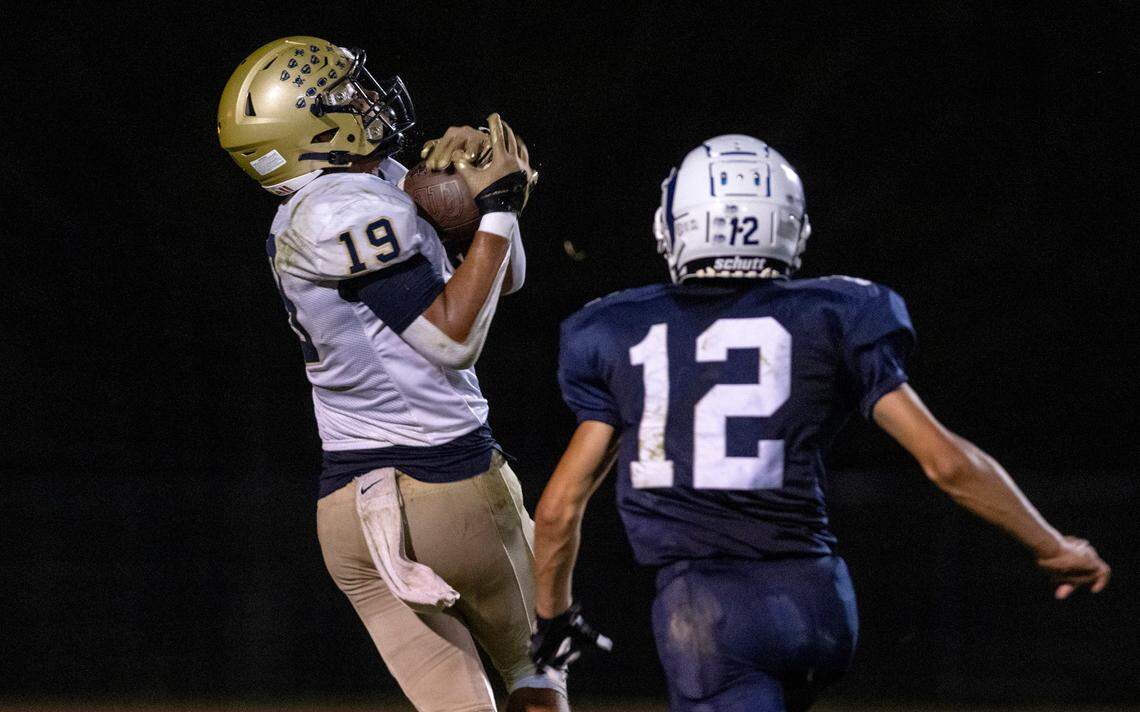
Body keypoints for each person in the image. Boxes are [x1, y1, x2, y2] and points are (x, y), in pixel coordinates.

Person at [528, 134, 1111, 711]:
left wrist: (554, 619)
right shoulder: (835, 314)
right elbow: (948, 462)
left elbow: (557, 510)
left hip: (707, 611)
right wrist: (1053, 545)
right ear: (790, 226)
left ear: (675, 224)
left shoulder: (618, 329)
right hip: (821, 601)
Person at [217, 36, 564, 712]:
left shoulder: (340, 196)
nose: (365, 98)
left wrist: (489, 201)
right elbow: (450, 337)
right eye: (343, 94)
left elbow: (503, 278)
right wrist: (495, 210)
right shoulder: (344, 210)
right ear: (307, 126)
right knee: (541, 665)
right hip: (447, 486)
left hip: (349, 507)